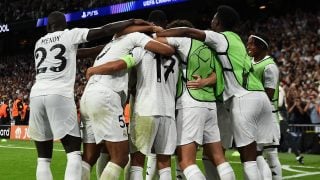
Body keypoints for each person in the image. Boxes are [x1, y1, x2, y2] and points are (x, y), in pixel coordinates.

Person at [28, 11, 151, 180]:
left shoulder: (38, 43)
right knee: (73, 154)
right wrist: (130, 20)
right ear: (64, 25)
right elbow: (103, 30)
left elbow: (80, 53)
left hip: (35, 95)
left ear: (48, 26)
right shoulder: (69, 35)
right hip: (59, 94)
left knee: (43, 158)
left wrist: (109, 47)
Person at [157, 5, 276, 180]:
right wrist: (206, 80)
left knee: (245, 159)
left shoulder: (219, 38)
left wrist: (159, 32)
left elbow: (188, 31)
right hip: (259, 97)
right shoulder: (237, 40)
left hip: (240, 98)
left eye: (213, 18)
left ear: (218, 22)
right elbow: (219, 72)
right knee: (252, 155)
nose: (210, 21)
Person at [80, 30, 175, 180]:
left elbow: (119, 64)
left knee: (133, 160)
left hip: (145, 108)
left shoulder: (139, 50)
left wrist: (94, 70)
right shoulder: (175, 56)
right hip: (169, 112)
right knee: (164, 163)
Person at [156, 19, 235, 180]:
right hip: (210, 105)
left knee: (186, 161)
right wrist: (205, 81)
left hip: (190, 104)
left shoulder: (183, 41)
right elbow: (217, 75)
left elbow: (155, 40)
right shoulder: (210, 47)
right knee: (219, 158)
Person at [248, 34, 282, 180]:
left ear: (261, 46)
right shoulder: (250, 62)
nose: (248, 47)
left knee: (271, 156)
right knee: (255, 156)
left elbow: (269, 94)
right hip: (255, 116)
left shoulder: (269, 66)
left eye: (251, 44)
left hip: (267, 116)